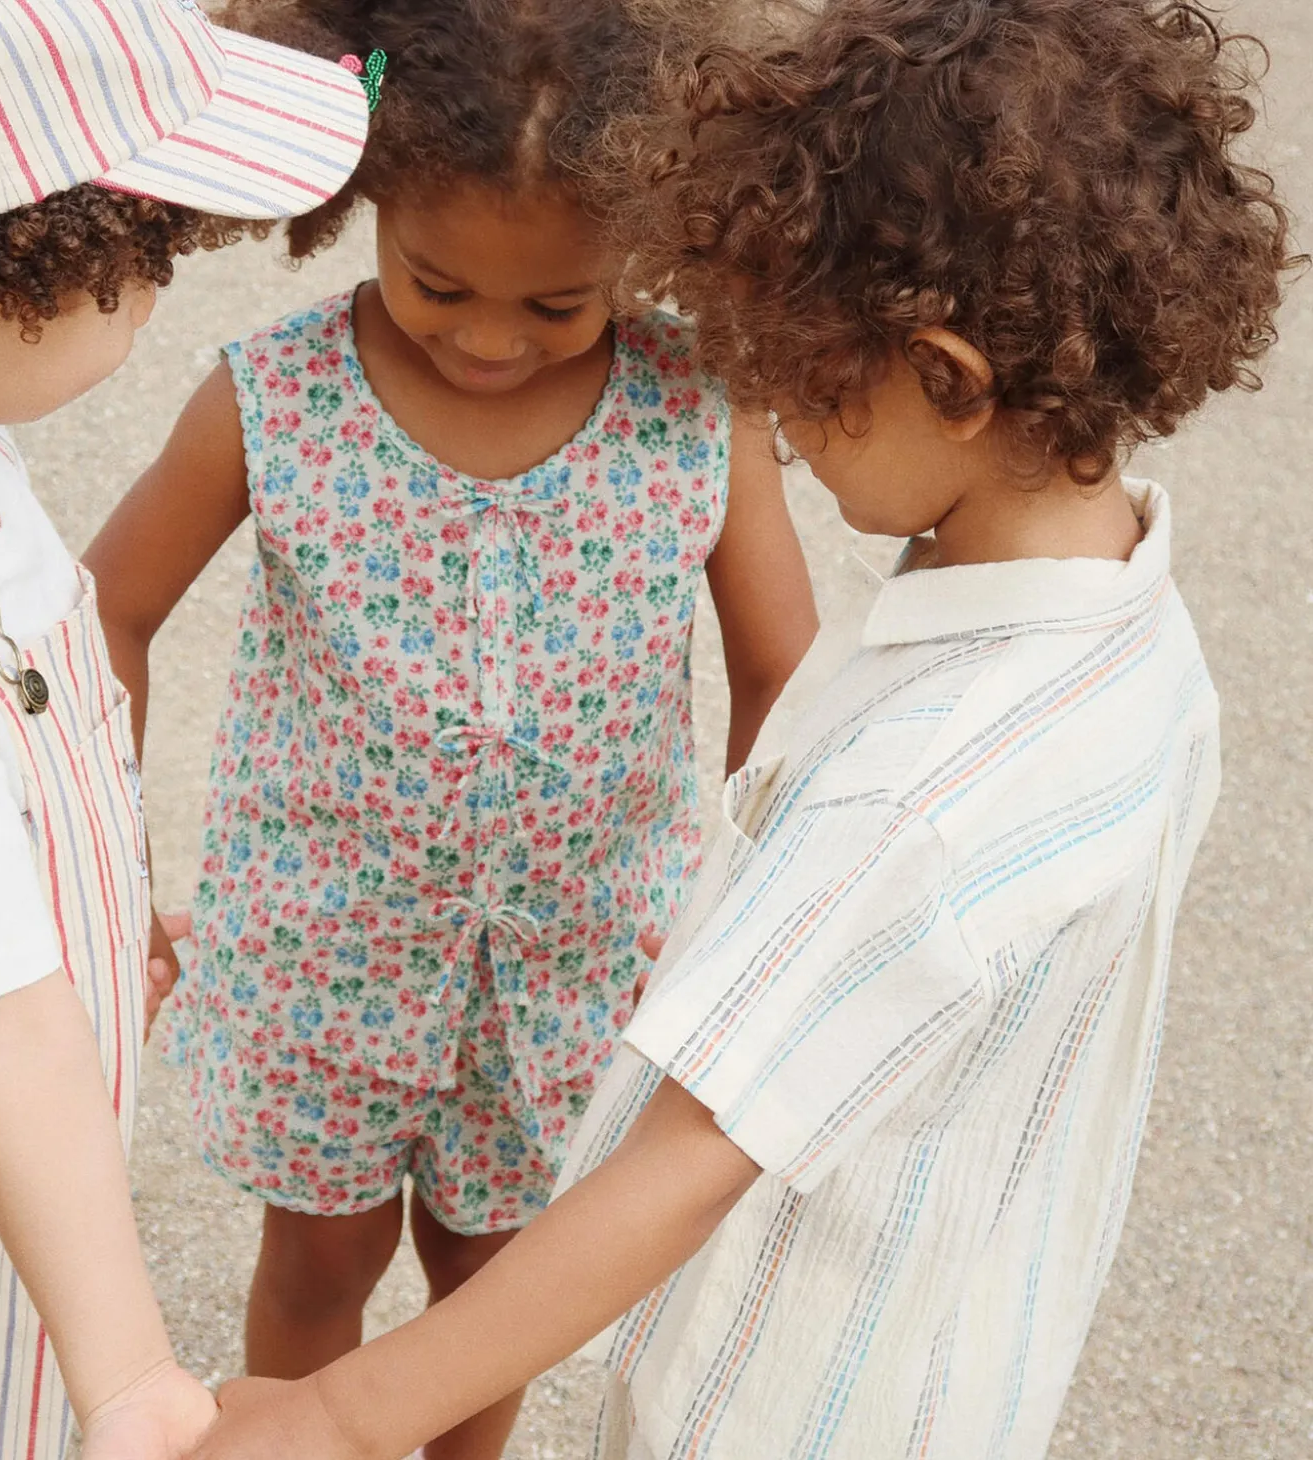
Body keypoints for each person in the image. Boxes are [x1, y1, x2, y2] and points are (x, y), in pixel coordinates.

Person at [180, 1, 1304, 1458]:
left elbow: (695, 1156)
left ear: (949, 378)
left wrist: (341, 1415)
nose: (763, 404)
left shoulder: (918, 802)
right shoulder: (1139, 637)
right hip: (960, 1356)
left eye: (804, 376)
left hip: (790, 1397)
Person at [86, 2, 816, 1455]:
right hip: (325, 947)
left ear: (645, 244)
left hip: (576, 962)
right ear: (359, 198)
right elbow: (107, 611)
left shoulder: (697, 410)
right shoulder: (274, 399)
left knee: (495, 1280)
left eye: (559, 306)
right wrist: (116, 855)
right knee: (319, 1266)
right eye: (435, 285)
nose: (491, 338)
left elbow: (781, 671)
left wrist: (744, 920)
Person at [0, 2, 372, 1457]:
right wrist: (136, 1372)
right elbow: (6, 1022)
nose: (157, 299)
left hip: (23, 1134)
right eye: (140, 266)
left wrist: (100, 904)